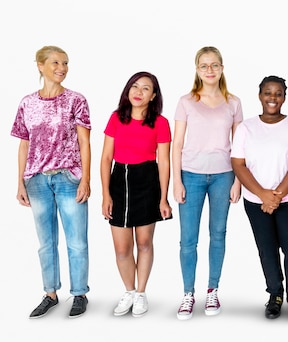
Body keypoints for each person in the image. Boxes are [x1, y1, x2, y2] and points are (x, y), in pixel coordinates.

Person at [12, 45, 91, 319]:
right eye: (56, 62)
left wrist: (85, 180)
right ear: (40, 65)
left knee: (77, 241)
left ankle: (79, 293)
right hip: (36, 181)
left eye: (66, 63)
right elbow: (24, 144)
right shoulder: (27, 103)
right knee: (46, 242)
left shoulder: (76, 100)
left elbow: (84, 141)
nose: (62, 68)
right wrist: (21, 182)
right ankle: (50, 293)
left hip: (69, 177)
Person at [231, 76, 288, 320]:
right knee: (267, 250)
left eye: (278, 93)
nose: (272, 98)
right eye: (268, 93)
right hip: (257, 202)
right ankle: (275, 294)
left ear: (284, 97)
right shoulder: (246, 128)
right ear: (260, 96)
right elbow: (238, 163)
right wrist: (263, 194)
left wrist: (276, 196)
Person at [172, 46, 243, 320]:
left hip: (223, 176)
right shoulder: (186, 101)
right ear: (197, 69)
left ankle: (212, 289)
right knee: (188, 240)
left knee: (218, 234)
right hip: (191, 174)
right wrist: (176, 181)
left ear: (222, 68)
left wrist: (237, 181)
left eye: (214, 65)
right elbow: (176, 144)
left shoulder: (233, 102)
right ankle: (188, 293)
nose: (210, 70)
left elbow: (239, 146)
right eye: (204, 66)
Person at [100, 71, 173, 318]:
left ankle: (141, 293)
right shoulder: (116, 118)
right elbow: (106, 158)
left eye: (145, 89)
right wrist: (105, 195)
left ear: (153, 96)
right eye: (135, 86)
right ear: (128, 90)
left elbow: (164, 162)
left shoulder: (160, 123)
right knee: (122, 248)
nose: (138, 92)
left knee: (144, 242)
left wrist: (163, 197)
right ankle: (129, 291)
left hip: (147, 181)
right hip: (119, 180)